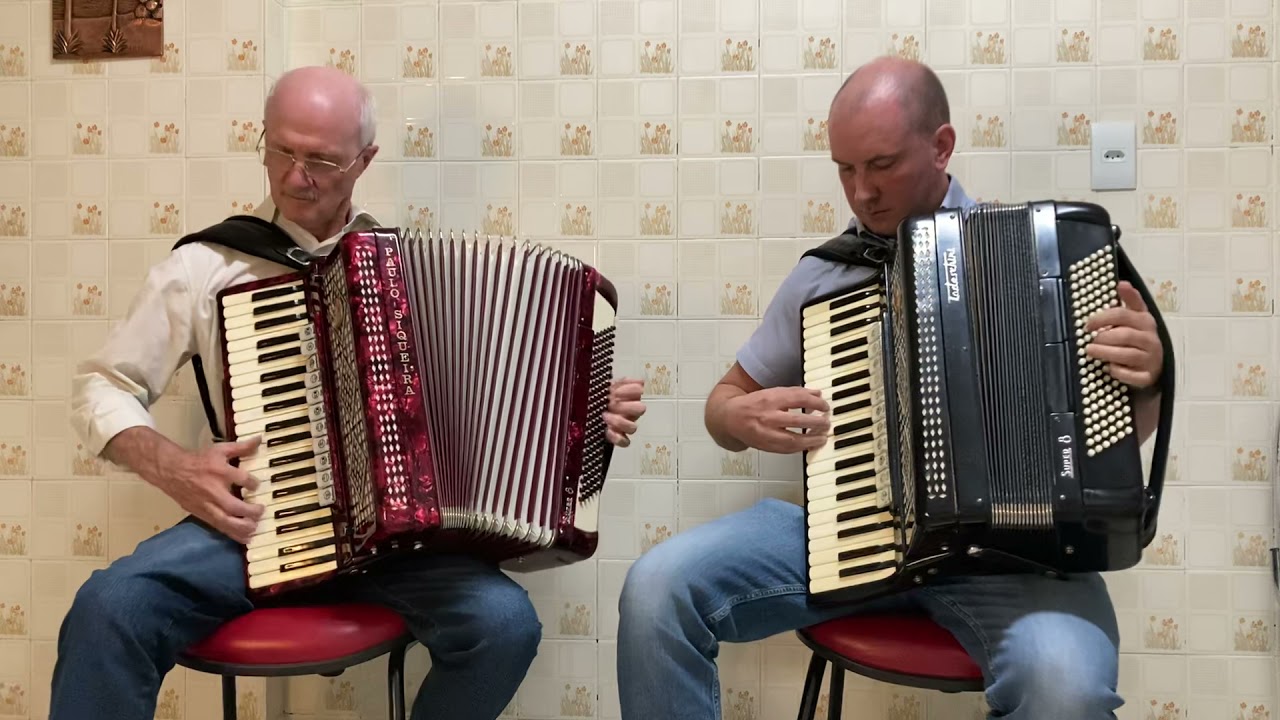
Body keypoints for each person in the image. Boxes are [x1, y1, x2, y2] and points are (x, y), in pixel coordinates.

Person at [56, 65, 648, 720]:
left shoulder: (400, 273)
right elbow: (101, 385)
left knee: (504, 627)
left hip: (396, 545)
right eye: (280, 151)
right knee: (110, 608)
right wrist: (175, 466)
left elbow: (499, 406)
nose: (294, 176)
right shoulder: (207, 265)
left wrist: (579, 410)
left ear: (364, 161)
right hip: (254, 526)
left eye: (320, 161)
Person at [615, 56, 1166, 720]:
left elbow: (1116, 443)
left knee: (1065, 689)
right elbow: (722, 404)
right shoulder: (825, 276)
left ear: (941, 147)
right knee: (656, 590)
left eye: (881, 165)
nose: (861, 193)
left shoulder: (1041, 259)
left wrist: (1147, 379)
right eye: (844, 169)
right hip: (845, 536)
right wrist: (739, 418)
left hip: (1013, 562)